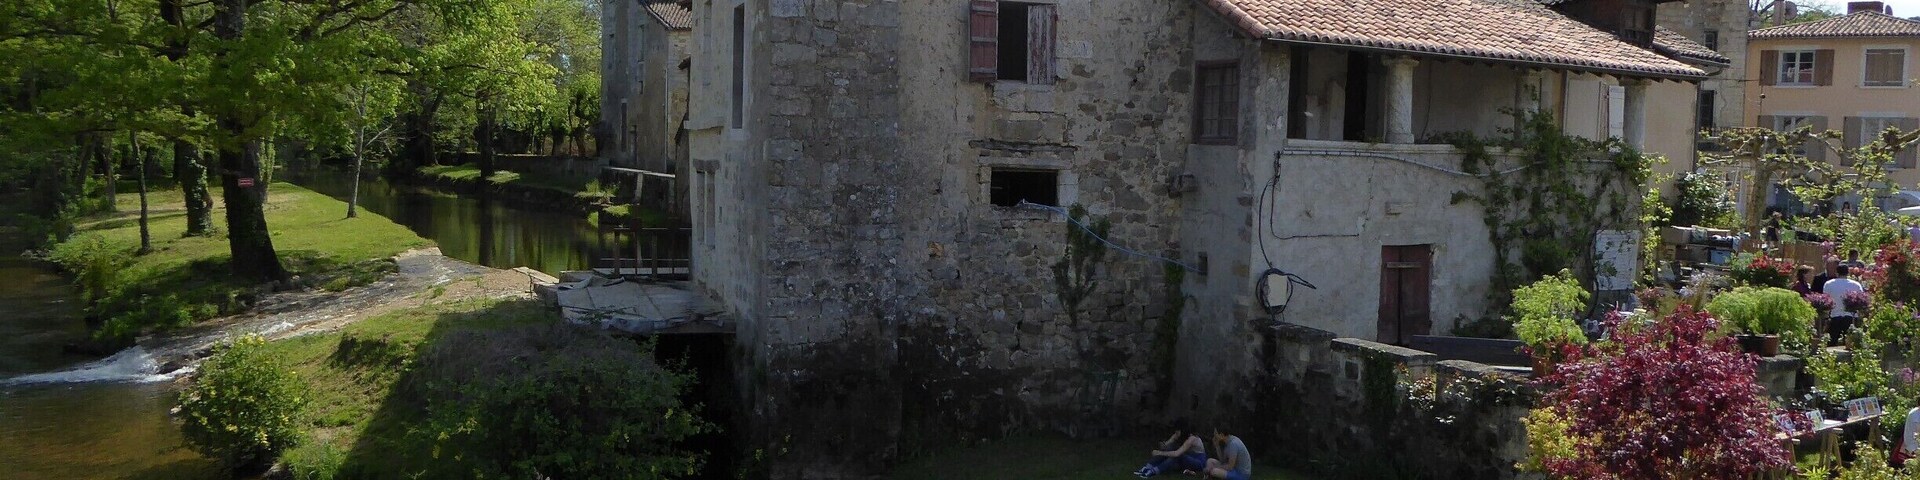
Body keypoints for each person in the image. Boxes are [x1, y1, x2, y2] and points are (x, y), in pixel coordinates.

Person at [1134, 426, 1206, 478]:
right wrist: (1166, 444)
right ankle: (1147, 467)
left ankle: (1153, 471)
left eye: (1177, 432)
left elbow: (1176, 454)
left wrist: (1159, 452)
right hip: (1187, 459)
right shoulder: (1178, 435)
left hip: (1198, 463)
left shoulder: (1192, 439)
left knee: (1177, 456)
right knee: (1170, 448)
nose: (1176, 433)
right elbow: (1165, 447)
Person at [1823, 265, 1866, 347]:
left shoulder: (1829, 284)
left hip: (1834, 315)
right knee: (1852, 343)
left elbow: (1826, 299)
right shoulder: (1856, 285)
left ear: (1836, 272)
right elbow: (1861, 299)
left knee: (1832, 342)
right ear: (1848, 273)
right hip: (1851, 316)